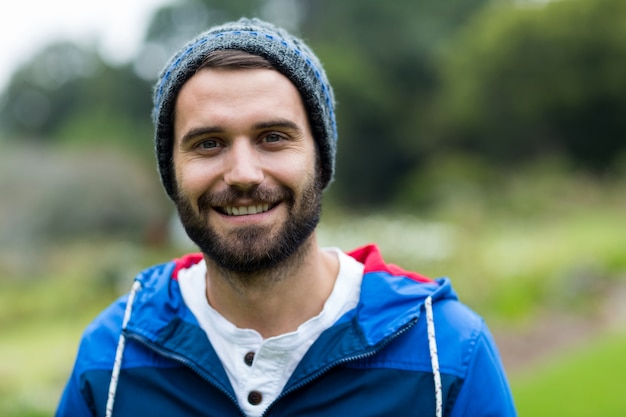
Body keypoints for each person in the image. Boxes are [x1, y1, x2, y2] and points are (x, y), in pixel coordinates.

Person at [55, 18, 517, 417]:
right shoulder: (111, 359)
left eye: (273, 137)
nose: (242, 174)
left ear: (321, 160)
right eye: (208, 144)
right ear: (171, 173)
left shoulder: (446, 352)